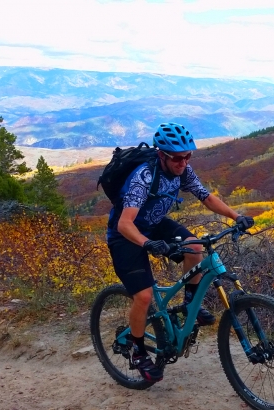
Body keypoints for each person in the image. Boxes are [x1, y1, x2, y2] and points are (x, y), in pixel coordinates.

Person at [106, 122, 254, 382]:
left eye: (188, 156)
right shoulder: (144, 177)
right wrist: (147, 244)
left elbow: (206, 197)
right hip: (125, 235)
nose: (183, 163)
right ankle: (138, 351)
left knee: (196, 246)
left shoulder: (183, 171)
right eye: (177, 158)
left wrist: (235, 216)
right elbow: (124, 223)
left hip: (154, 223)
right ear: (162, 154)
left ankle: (189, 304)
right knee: (143, 296)